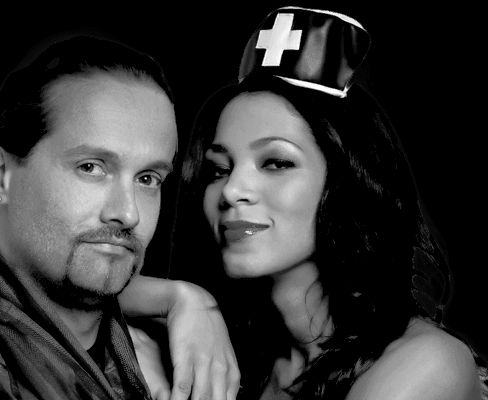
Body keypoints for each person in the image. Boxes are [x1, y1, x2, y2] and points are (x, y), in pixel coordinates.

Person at [0, 34, 238, 400]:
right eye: (91, 167)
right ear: (1, 176)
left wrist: (186, 299)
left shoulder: (167, 357)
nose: (128, 213)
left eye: (148, 179)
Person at [167, 6, 488, 399]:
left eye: (276, 163)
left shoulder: (426, 361)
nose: (232, 190)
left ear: (346, 182)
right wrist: (180, 298)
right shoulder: (238, 358)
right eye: (218, 170)